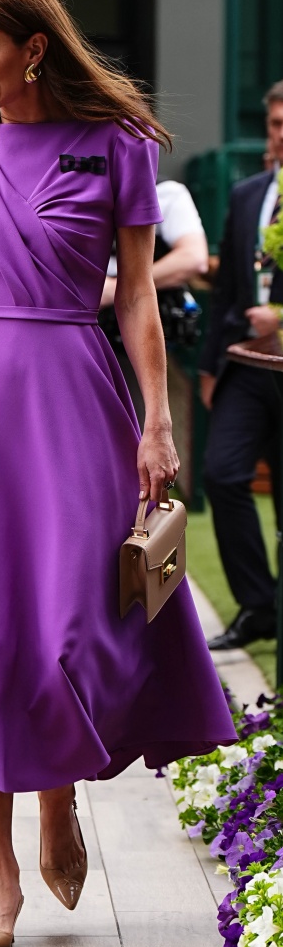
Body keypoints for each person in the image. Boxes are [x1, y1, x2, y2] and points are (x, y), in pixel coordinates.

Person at [0, 0, 237, 947]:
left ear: (31, 49)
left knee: (66, 632)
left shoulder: (114, 146)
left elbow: (135, 295)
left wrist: (156, 420)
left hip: (75, 400)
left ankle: (59, 801)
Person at [200, 80, 283, 651]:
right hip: (243, 366)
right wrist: (210, 366)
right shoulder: (249, 193)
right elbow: (228, 286)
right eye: (276, 124)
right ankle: (259, 605)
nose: (281, 135)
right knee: (222, 473)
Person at [99, 179, 209, 426]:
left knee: (141, 431)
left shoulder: (166, 194)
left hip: (142, 341)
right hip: (82, 341)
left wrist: (114, 289)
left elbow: (193, 258)